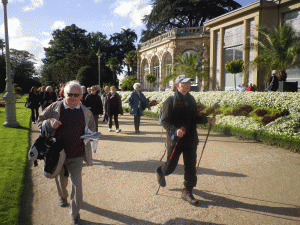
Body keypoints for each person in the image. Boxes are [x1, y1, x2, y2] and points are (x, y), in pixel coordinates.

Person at [37, 80, 96, 225]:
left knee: (77, 185)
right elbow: (40, 121)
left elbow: (93, 130)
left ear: (81, 96)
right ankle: (62, 197)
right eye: (70, 94)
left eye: (77, 95)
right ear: (64, 94)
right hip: (59, 154)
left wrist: (91, 137)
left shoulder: (86, 112)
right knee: (62, 182)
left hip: (77, 154)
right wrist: (49, 122)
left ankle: (75, 213)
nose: (74, 97)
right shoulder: (54, 107)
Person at [155, 74, 216, 206]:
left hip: (190, 140)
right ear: (177, 85)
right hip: (176, 140)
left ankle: (187, 191)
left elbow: (194, 118)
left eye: (188, 83)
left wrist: (207, 120)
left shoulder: (191, 99)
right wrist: (175, 130)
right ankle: (161, 171)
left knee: (190, 168)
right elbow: (164, 121)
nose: (187, 85)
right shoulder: (169, 101)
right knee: (170, 167)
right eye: (184, 83)